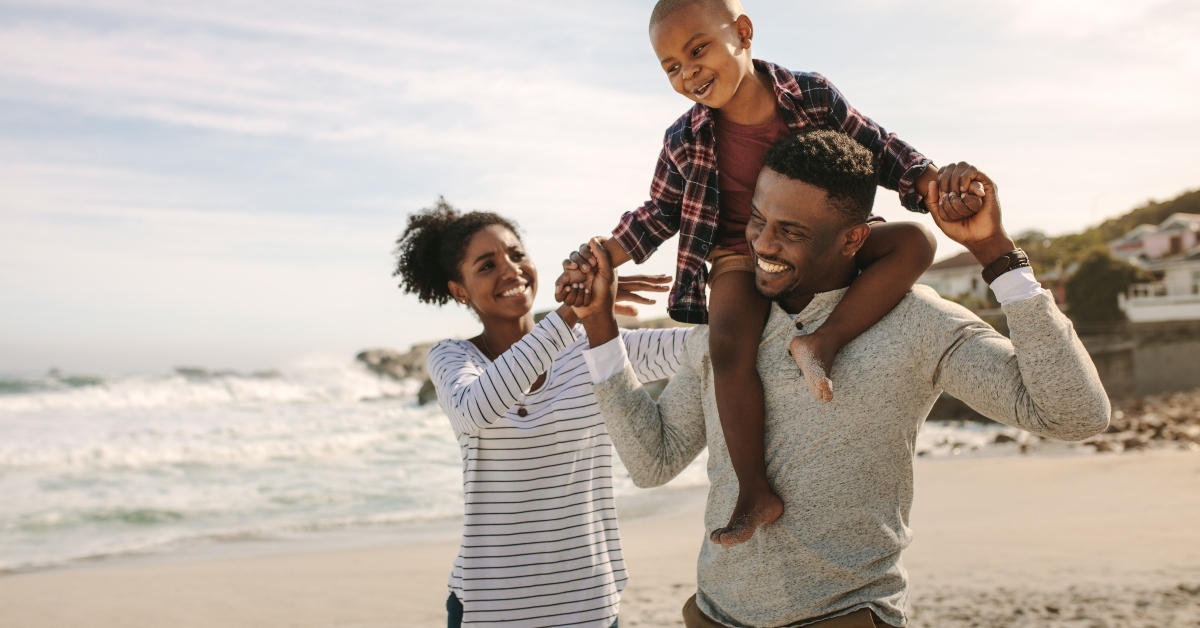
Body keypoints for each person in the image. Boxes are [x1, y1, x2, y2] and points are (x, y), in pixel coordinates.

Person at [569, 131, 1110, 627]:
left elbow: (1076, 414)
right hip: (716, 615)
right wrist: (599, 328)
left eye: (791, 232)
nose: (762, 244)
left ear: (854, 238)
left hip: (846, 618)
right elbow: (652, 461)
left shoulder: (915, 321)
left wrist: (995, 253)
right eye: (757, 220)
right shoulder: (734, 328)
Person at [556, 0, 984, 546]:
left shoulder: (811, 95)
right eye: (670, 67)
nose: (687, 72)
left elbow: (878, 146)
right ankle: (755, 492)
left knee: (915, 242)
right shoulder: (683, 138)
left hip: (822, 243)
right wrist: (604, 253)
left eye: (697, 50)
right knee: (729, 343)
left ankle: (822, 342)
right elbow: (660, 211)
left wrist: (930, 183)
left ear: (742, 32)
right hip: (740, 252)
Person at [392, 200, 690, 628]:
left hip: (589, 604)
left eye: (516, 254)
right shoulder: (453, 357)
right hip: (490, 608)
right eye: (487, 265)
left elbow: (700, 350)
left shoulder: (596, 345)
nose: (510, 270)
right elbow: (475, 408)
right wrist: (573, 311)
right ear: (460, 290)